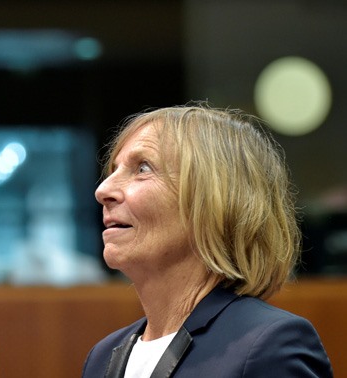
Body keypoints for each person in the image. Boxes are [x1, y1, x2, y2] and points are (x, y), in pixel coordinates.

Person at [82, 104, 333, 378]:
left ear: (217, 200)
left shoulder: (270, 344)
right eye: (114, 170)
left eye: (143, 168)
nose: (103, 190)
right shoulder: (102, 356)